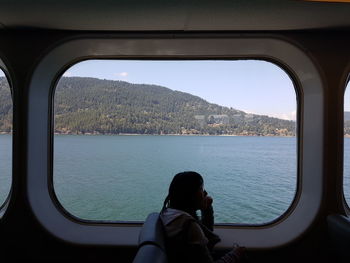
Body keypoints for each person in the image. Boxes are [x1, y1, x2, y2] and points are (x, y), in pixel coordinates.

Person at [160, 171, 245, 263]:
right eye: (201, 188)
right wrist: (236, 254)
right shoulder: (188, 226)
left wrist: (207, 209)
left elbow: (204, 235)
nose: (205, 192)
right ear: (189, 195)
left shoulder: (171, 214)